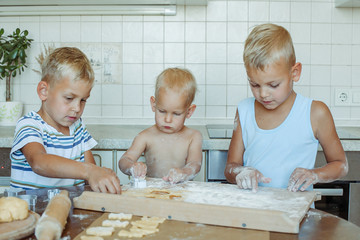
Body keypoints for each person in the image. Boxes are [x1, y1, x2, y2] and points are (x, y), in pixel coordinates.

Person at [224, 23, 348, 193]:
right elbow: (231, 167)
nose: (263, 94)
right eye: (254, 84)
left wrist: (314, 174)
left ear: (295, 73)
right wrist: (241, 172)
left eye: (273, 85)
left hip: (296, 214)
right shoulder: (244, 110)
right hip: (253, 211)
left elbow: (340, 164)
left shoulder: (315, 113)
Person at [10, 47, 121, 194]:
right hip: (32, 214)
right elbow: (39, 162)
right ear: (44, 91)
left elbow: (90, 173)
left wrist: (102, 177)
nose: (77, 108)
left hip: (70, 212)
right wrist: (89, 171)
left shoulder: (78, 128)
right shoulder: (30, 125)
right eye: (69, 98)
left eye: (83, 100)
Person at [119, 68, 203, 184]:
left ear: (189, 111)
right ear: (154, 104)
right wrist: (133, 166)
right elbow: (124, 161)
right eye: (162, 111)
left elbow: (195, 164)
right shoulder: (146, 136)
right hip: (152, 194)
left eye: (176, 114)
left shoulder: (193, 137)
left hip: (181, 195)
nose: (167, 119)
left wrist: (184, 173)